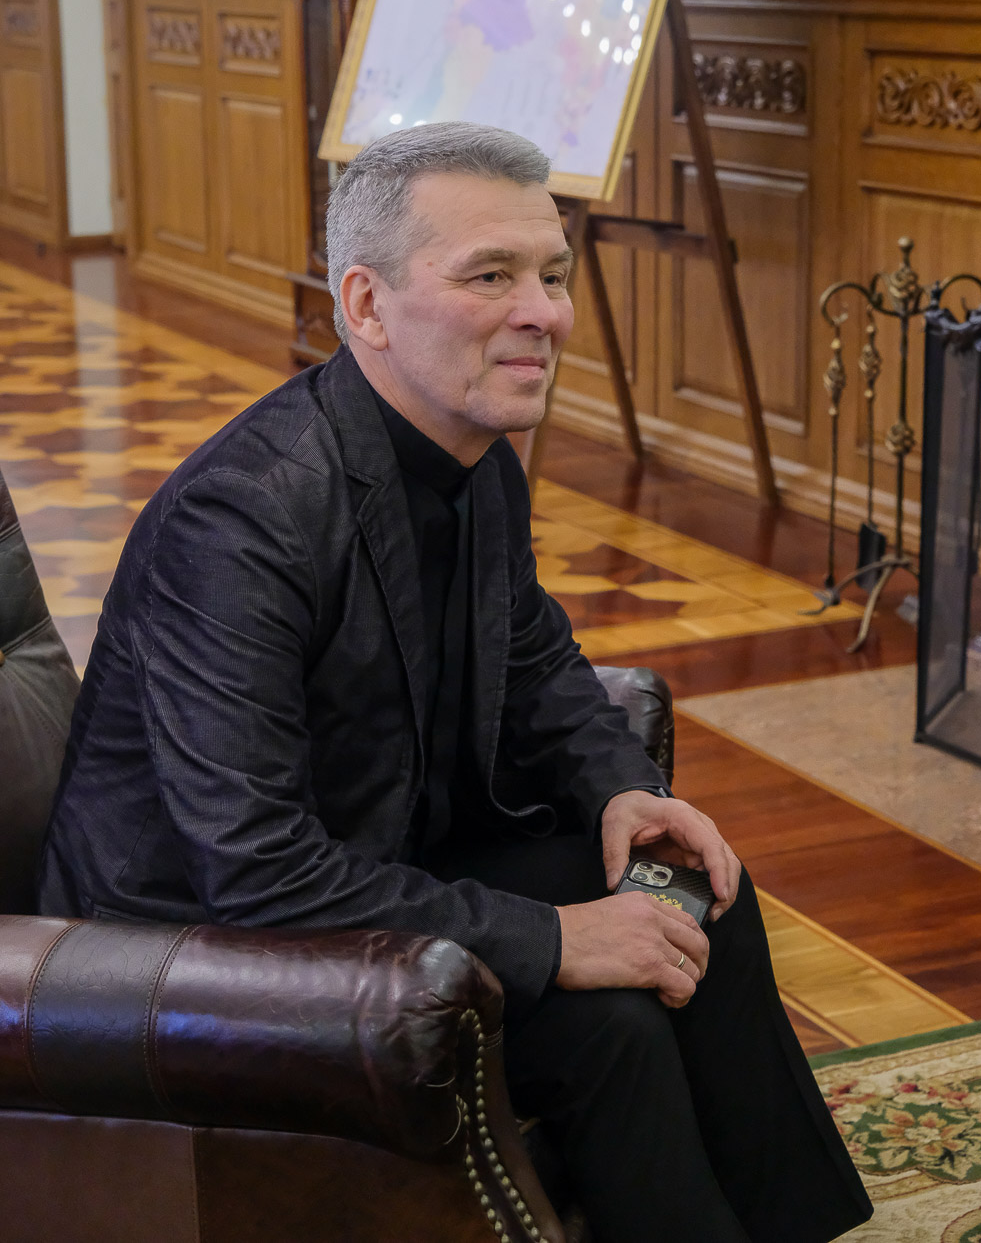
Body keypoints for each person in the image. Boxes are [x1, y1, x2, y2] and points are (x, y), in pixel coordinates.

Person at [40, 122, 872, 1243]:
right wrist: (560, 939)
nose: (544, 313)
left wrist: (620, 789)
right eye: (490, 276)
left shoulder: (476, 454)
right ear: (367, 305)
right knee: (607, 1021)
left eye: (552, 275)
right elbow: (255, 870)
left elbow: (534, 657)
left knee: (690, 894)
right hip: (189, 953)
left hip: (368, 862)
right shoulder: (239, 519)